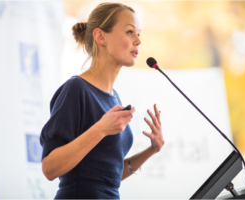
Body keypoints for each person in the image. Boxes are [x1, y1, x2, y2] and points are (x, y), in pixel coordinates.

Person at [40, 2, 164, 200]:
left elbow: (106, 177)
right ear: (100, 37)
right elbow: (49, 168)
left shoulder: (114, 97)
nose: (139, 41)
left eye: (139, 34)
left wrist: (152, 150)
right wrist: (101, 129)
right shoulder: (76, 89)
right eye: (130, 32)